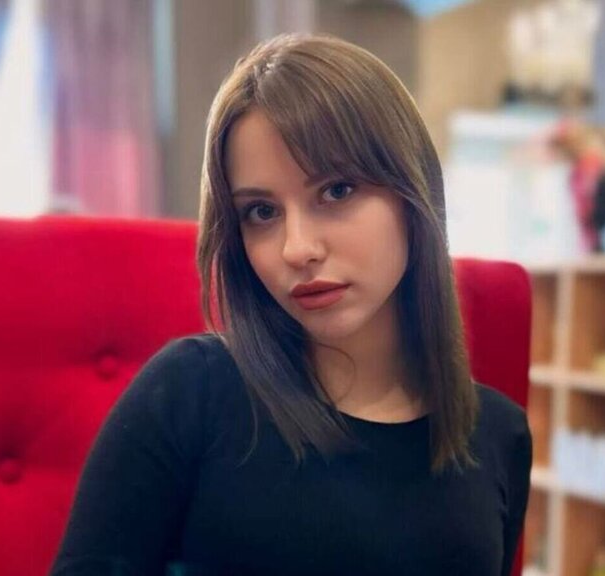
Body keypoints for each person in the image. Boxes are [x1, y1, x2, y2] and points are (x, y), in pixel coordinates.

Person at [50, 33, 531, 576]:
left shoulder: (499, 434)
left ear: (413, 193)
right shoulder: (188, 396)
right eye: (261, 212)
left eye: (337, 191)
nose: (296, 249)